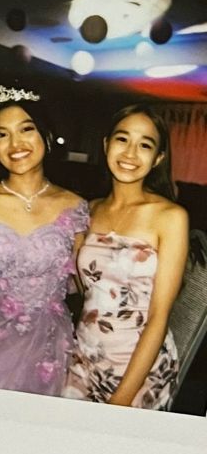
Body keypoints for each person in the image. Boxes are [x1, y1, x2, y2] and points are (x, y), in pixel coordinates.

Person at [0, 87, 88, 396]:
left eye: (26, 129)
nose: (15, 144)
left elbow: (84, 284)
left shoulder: (75, 206)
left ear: (46, 136)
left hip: (54, 336)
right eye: (2, 135)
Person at [63, 105, 188, 409]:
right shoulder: (89, 210)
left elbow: (158, 318)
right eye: (122, 139)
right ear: (106, 144)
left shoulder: (170, 217)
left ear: (158, 158)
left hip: (138, 366)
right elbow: (82, 288)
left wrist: (121, 399)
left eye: (145, 145)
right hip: (85, 354)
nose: (131, 153)